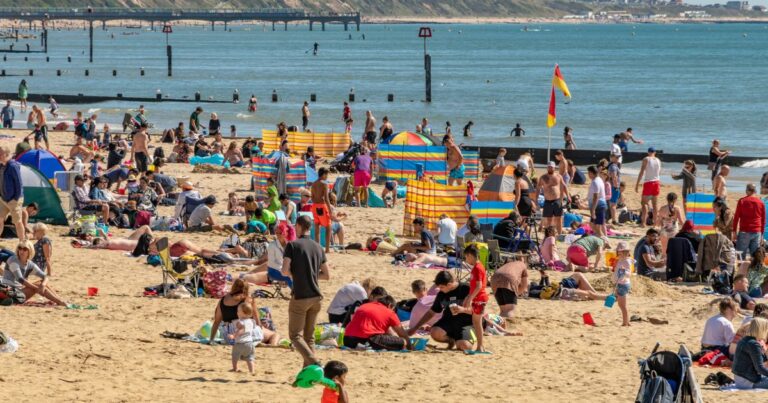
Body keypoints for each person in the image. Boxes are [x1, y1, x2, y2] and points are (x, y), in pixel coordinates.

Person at [281, 215, 329, 368]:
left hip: (301, 296)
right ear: (310, 227)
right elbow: (326, 275)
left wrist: (296, 274)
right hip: (316, 296)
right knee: (309, 338)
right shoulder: (318, 247)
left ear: (298, 226)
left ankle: (315, 363)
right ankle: (310, 373)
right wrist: (311, 275)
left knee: (295, 335)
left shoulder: (292, 245)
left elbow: (284, 270)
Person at [407, 271, 475, 352]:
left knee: (465, 346)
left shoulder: (466, 289)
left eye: (442, 287)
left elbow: (479, 310)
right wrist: (415, 328)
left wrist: (463, 310)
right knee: (434, 332)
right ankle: (451, 341)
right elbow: (431, 312)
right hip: (449, 321)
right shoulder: (441, 294)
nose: (440, 289)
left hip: (466, 323)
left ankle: (466, 339)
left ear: (449, 284)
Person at [208, 279, 280, 347]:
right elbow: (256, 319)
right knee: (274, 335)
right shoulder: (248, 299)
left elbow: (216, 322)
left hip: (229, 336)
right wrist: (260, 329)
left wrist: (211, 339)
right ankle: (271, 345)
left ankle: (256, 342)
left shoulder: (222, 300)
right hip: (245, 330)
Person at [0, 241, 66, 306]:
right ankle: (60, 302)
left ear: (30, 251)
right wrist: (37, 289)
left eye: (25, 249)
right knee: (38, 285)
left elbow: (45, 276)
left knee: (42, 283)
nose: (21, 251)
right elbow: (20, 279)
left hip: (19, 292)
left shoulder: (30, 264)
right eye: (20, 248)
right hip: (8, 291)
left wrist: (43, 285)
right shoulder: (13, 260)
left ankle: (59, 300)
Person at [343, 293, 412, 351]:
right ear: (390, 306)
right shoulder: (389, 312)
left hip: (347, 339)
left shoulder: (364, 306)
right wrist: (410, 347)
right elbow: (402, 334)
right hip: (368, 340)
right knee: (403, 341)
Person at [463, 244, 489, 352]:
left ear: (470, 255)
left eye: (466, 257)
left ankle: (480, 346)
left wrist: (470, 298)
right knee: (476, 322)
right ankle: (480, 346)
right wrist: (469, 297)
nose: (466, 260)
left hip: (479, 298)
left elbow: (479, 286)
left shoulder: (478, 268)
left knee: (477, 323)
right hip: (478, 298)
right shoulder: (477, 267)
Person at [732, 317, 768, 389]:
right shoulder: (753, 344)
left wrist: (763, 351)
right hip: (748, 381)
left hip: (741, 379)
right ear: (761, 329)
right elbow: (760, 368)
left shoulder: (745, 340)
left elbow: (762, 361)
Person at [733, 183, 766, 257]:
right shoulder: (761, 202)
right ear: (755, 191)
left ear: (747, 191)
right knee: (755, 257)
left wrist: (734, 231)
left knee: (740, 256)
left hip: (745, 231)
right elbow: (763, 220)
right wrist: (762, 234)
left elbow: (736, 217)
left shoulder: (742, 201)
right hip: (757, 232)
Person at [0, 147, 26, 241]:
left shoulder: (13, 166)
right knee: (0, 219)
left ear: (6, 154)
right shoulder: (2, 166)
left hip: (14, 200)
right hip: (3, 199)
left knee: (17, 222)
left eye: (0, 154)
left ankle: (23, 242)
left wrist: (15, 198)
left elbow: (19, 183)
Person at [635, 147, 662, 228]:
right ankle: (655, 223)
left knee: (644, 203)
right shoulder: (658, 160)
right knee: (655, 204)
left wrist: (637, 184)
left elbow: (642, 172)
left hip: (648, 182)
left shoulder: (646, 159)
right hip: (657, 182)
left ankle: (643, 223)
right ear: (655, 152)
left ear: (648, 152)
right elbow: (659, 172)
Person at [229, 303, 259, 374]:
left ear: (244, 313)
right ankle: (252, 371)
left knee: (235, 356)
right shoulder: (252, 321)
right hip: (250, 343)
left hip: (240, 343)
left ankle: (235, 368)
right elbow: (251, 329)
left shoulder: (240, 322)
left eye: (238, 311)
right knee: (249, 358)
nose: (237, 312)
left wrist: (234, 336)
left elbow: (241, 330)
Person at [311, 168, 332, 253]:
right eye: (327, 174)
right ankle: (327, 249)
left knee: (317, 227)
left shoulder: (313, 184)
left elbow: (312, 197)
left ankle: (318, 248)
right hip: (322, 206)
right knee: (328, 227)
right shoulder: (324, 184)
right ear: (323, 174)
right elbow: (326, 198)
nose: (327, 176)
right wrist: (330, 210)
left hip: (314, 206)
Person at [613, 241, 632, 326]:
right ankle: (627, 321)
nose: (620, 253)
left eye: (622, 252)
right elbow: (617, 272)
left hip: (623, 284)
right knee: (621, 304)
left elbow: (629, 274)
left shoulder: (626, 261)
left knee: (622, 305)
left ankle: (625, 322)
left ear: (627, 253)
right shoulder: (621, 260)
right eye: (619, 252)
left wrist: (624, 271)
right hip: (620, 283)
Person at [587, 166, 608, 239]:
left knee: (597, 226)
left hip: (599, 205)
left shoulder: (595, 182)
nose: (588, 175)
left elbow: (596, 196)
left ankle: (603, 239)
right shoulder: (598, 179)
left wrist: (593, 210)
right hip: (599, 204)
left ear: (592, 173)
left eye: (589, 173)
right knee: (593, 224)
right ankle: (601, 237)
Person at [607, 153, 622, 225]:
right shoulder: (613, 166)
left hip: (612, 186)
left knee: (612, 203)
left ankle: (612, 219)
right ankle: (614, 220)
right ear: (612, 158)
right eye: (616, 157)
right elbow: (614, 177)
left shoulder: (612, 166)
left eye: (618, 157)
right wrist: (616, 186)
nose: (618, 158)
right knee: (613, 204)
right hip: (614, 187)